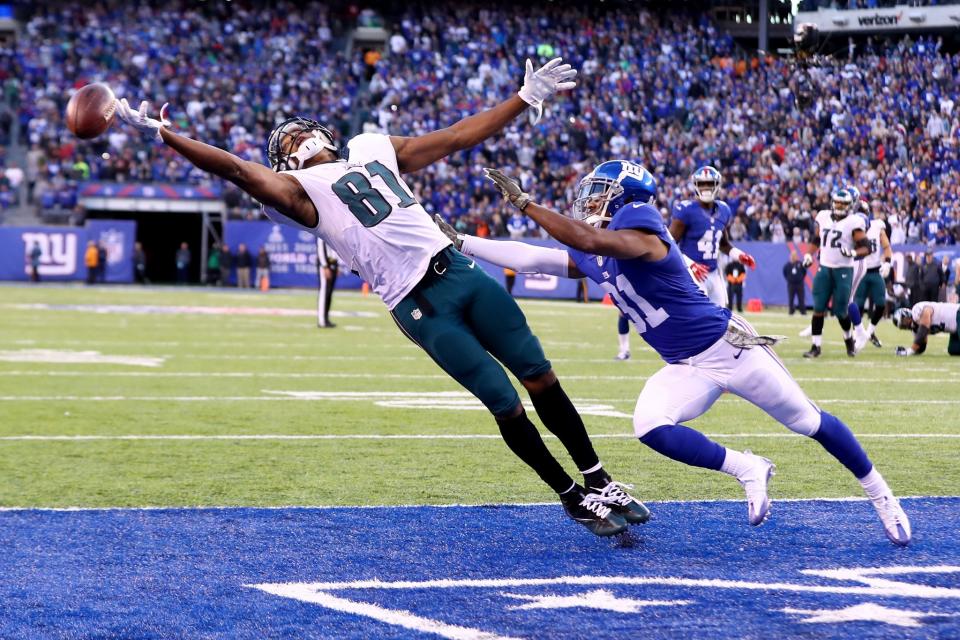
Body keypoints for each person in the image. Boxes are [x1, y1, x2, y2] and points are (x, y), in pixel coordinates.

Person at [113, 58, 648, 537]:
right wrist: (169, 136)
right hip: (420, 305)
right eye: (286, 143)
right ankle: (571, 496)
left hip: (460, 271)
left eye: (301, 131)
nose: (297, 139)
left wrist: (522, 99)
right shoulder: (296, 194)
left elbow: (456, 137)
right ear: (284, 167)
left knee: (540, 376)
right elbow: (233, 168)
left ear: (324, 132)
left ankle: (599, 477)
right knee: (504, 401)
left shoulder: (370, 147)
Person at [444, 160, 911, 546]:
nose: (589, 201)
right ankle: (748, 467)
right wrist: (462, 242)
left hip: (730, 350)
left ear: (626, 199)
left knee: (808, 421)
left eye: (601, 192)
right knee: (650, 426)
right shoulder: (597, 244)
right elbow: (535, 257)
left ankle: (881, 494)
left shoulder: (641, 230)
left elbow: (588, 240)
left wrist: (526, 203)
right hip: (687, 365)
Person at [669, 166, 756, 307]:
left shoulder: (724, 210)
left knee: (722, 316)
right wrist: (690, 265)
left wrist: (739, 255)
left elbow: (723, 244)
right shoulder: (685, 210)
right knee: (699, 316)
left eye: (709, 183)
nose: (705, 187)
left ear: (717, 185)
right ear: (695, 185)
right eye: (702, 184)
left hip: (714, 272)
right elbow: (669, 244)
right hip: (692, 273)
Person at [802, 189, 871, 358]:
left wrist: (853, 253)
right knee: (818, 308)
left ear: (850, 206)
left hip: (843, 270)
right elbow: (816, 239)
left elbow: (866, 247)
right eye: (837, 203)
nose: (839, 206)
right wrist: (809, 254)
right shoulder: (824, 216)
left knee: (841, 311)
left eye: (843, 204)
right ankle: (815, 347)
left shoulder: (853, 222)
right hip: (824, 268)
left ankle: (849, 340)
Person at [848, 195, 893, 352]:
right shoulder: (851, 228)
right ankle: (856, 334)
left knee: (881, 303)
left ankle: (870, 331)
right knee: (857, 305)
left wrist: (887, 262)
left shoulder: (876, 226)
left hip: (874, 271)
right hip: (860, 269)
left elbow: (886, 246)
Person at [892, 301, 960, 357]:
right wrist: (906, 350)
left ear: (906, 315)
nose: (905, 326)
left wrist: (910, 350)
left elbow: (924, 328)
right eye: (902, 327)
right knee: (954, 350)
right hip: (955, 330)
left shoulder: (917, 309)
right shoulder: (916, 329)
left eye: (903, 322)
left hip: (958, 313)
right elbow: (921, 347)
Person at [316, 237, 339, 328]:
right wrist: (325, 266)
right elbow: (320, 248)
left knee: (329, 293)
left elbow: (336, 250)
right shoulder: (322, 231)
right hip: (325, 264)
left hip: (333, 263)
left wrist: (337, 265)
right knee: (324, 292)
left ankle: (326, 318)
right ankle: (322, 320)